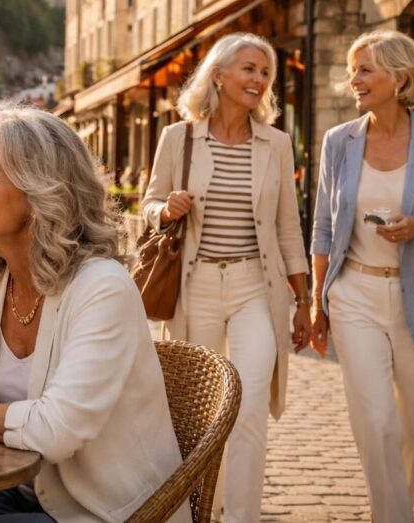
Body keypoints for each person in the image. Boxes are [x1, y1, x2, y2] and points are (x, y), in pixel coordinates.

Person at [0, 104, 187, 522]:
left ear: (42, 193)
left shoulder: (102, 287)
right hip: (22, 491)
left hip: (107, 511)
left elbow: (54, 433)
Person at [141, 32, 311, 523]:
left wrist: (303, 300)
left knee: (251, 401)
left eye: (265, 73)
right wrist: (164, 209)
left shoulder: (276, 144)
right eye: (250, 69)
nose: (258, 79)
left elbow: (286, 225)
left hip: (254, 287)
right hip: (194, 289)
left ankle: (241, 516)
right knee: (201, 412)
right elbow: (149, 202)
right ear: (218, 74)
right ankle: (200, 509)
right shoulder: (179, 138)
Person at [310, 30, 414, 522]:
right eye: (352, 69)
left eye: (364, 69)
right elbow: (321, 226)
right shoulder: (338, 142)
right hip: (354, 293)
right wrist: (318, 302)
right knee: (378, 423)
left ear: (399, 78)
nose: (352, 79)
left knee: (412, 432)